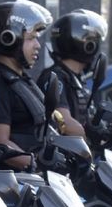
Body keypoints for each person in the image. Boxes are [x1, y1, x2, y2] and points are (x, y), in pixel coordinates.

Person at [0, 0, 53, 170]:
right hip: (14, 185)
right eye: (31, 38)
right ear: (9, 39)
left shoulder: (20, 80)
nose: (37, 45)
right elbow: (0, 145)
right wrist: (38, 165)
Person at [38, 9, 107, 137]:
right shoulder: (55, 77)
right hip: (64, 153)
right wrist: (95, 137)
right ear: (88, 45)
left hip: (79, 152)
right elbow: (64, 122)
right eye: (94, 40)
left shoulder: (76, 78)